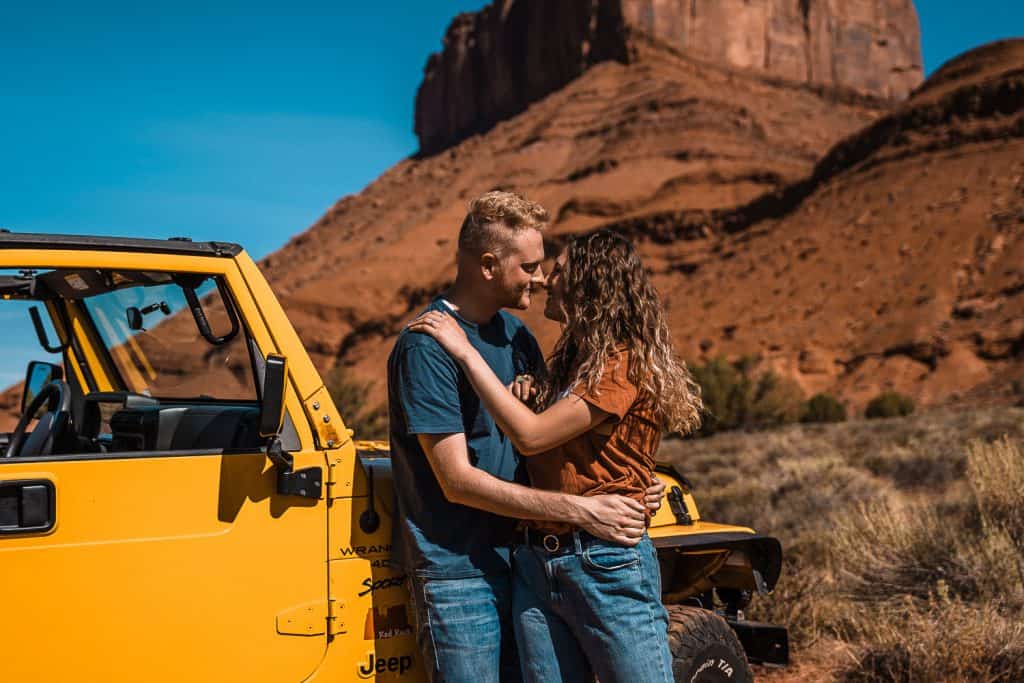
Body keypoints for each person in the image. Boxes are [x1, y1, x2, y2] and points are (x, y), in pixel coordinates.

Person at [387, 193, 663, 683]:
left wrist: (636, 482)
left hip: (526, 560)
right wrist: (585, 509)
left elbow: (560, 440)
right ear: (489, 265)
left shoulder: (519, 338)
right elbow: (456, 482)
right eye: (532, 266)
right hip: (460, 571)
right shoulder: (428, 347)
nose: (541, 278)